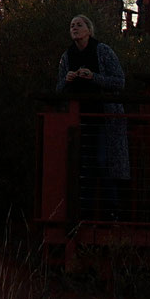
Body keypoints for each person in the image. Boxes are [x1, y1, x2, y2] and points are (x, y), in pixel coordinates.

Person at [57, 13, 130, 220]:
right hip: (78, 120)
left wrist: (93, 77)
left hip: (104, 118)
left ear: (89, 30)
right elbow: (58, 88)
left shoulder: (102, 51)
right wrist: (67, 80)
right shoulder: (67, 56)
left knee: (102, 161)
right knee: (82, 165)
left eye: (79, 25)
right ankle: (85, 211)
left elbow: (119, 81)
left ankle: (112, 210)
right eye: (72, 25)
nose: (75, 28)